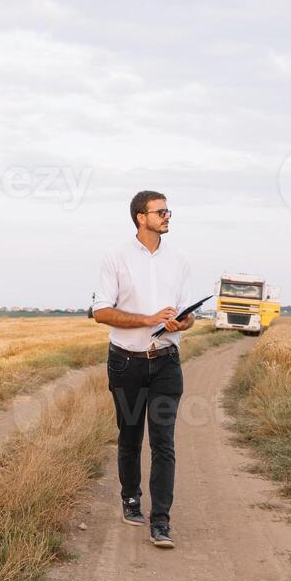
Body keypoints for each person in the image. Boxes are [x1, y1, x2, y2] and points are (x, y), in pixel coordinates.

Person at [91, 189, 193, 549]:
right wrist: (147, 319)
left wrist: (183, 322)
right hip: (126, 363)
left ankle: (161, 521)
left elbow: (186, 314)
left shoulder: (179, 260)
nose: (167, 216)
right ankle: (130, 498)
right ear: (140, 216)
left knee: (164, 442)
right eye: (160, 211)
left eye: (168, 211)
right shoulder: (115, 257)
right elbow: (101, 311)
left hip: (166, 361)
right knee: (131, 435)